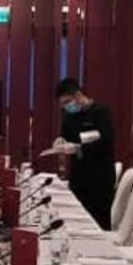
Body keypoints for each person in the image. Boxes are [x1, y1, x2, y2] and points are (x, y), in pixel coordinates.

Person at [54, 78, 116, 230]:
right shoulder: (69, 116)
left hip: (100, 176)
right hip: (78, 176)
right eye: (63, 105)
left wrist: (78, 148)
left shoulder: (101, 113)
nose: (66, 107)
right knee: (77, 222)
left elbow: (107, 141)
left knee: (99, 223)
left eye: (67, 102)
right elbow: (65, 136)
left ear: (78, 95)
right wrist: (60, 141)